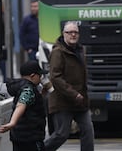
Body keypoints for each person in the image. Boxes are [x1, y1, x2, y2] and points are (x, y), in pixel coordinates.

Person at [43, 21, 94, 151]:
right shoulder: (58, 52)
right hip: (63, 101)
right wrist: (73, 94)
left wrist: (83, 96)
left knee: (88, 132)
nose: (73, 35)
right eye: (69, 32)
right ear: (63, 34)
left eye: (75, 32)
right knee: (62, 134)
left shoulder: (80, 49)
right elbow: (55, 77)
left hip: (80, 101)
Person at [0, 59, 48, 151]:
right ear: (33, 76)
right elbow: (21, 105)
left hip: (18, 136)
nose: (41, 78)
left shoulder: (21, 86)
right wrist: (12, 122)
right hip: (31, 137)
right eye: (39, 75)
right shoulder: (28, 89)